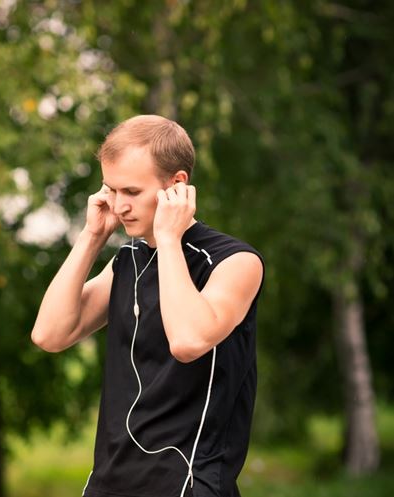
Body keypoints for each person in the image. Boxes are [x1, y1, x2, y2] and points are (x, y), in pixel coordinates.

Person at [30, 115, 264, 497]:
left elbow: (188, 341)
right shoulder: (127, 261)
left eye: (132, 192)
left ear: (177, 186)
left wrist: (169, 239)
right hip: (107, 485)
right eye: (111, 190)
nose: (119, 206)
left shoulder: (234, 262)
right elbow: (50, 334)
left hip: (187, 485)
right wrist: (91, 237)